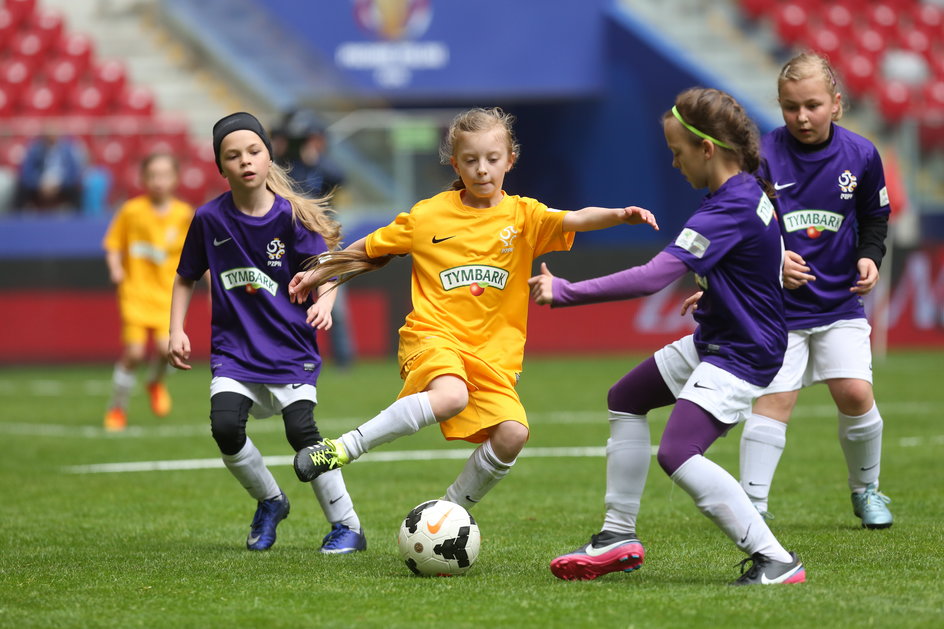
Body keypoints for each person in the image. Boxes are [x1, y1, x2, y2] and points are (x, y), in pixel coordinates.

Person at [288, 107, 659, 514]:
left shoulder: (524, 216)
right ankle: (341, 449)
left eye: (492, 159)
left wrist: (619, 215)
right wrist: (318, 271)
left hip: (492, 357)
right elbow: (367, 248)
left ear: (510, 160)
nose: (482, 169)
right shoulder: (427, 215)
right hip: (433, 336)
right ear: (455, 163)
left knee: (513, 434)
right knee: (450, 396)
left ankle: (447, 515)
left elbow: (574, 218)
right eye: (471, 160)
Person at [530, 88, 805, 586]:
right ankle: (617, 535)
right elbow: (763, 255)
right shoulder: (748, 190)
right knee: (626, 398)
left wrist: (566, 290)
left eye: (677, 153)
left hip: (743, 352)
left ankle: (776, 559)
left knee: (677, 453)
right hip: (723, 334)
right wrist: (722, 291)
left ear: (706, 149)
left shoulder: (728, 206)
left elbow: (653, 277)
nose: (674, 163)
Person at [168, 112, 365, 554]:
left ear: (268, 155)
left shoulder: (291, 216)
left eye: (254, 151)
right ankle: (270, 501)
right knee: (224, 426)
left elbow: (326, 271)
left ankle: (347, 525)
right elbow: (185, 276)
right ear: (221, 167)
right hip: (235, 352)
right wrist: (175, 330)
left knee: (302, 434)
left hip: (289, 349)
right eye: (232, 155)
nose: (245, 161)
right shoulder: (209, 219)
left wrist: (326, 304)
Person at [738, 52, 894, 528]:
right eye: (790, 107)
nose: (801, 117)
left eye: (812, 105)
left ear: (836, 104)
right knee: (775, 401)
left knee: (854, 393)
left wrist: (870, 256)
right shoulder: (761, 157)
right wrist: (772, 259)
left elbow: (874, 218)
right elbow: (740, 225)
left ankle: (867, 491)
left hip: (840, 303)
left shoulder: (863, 156)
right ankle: (751, 508)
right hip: (778, 311)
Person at [101, 153, 193, 431]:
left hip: (168, 297)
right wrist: (116, 268)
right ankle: (117, 407)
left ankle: (155, 382)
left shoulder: (184, 215)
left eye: (164, 175)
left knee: (169, 352)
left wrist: (214, 286)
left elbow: (198, 255)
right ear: (143, 179)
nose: (158, 181)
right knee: (135, 353)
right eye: (152, 175)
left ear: (176, 179)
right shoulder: (131, 211)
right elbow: (114, 244)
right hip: (135, 293)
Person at [16, 130, 86, 211]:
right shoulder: (35, 149)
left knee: (76, 188)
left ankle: (77, 219)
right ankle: (18, 218)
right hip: (39, 182)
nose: (51, 137)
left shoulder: (67, 150)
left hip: (62, 183)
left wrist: (59, 184)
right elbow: (27, 172)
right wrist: (39, 183)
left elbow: (73, 173)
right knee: (21, 186)